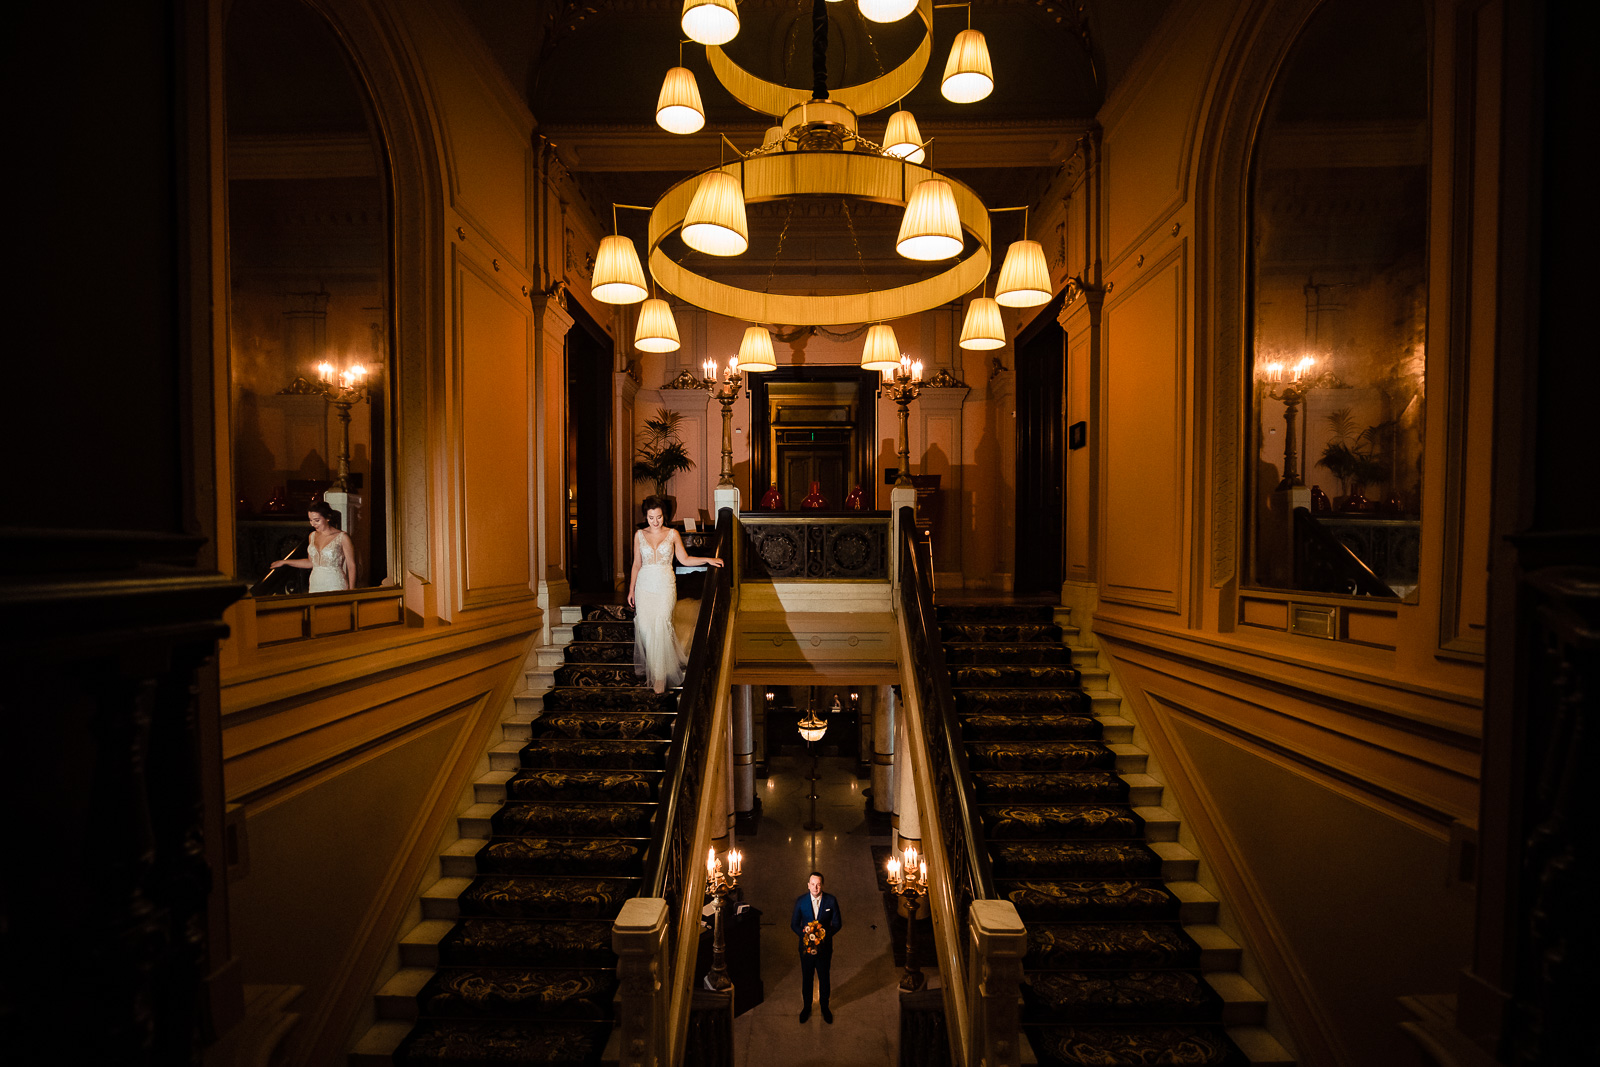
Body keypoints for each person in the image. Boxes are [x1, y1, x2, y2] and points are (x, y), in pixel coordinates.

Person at [627, 495, 723, 693]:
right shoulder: (639, 535)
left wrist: (708, 560)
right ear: (646, 516)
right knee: (645, 629)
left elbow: (685, 560)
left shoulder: (672, 534)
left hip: (664, 584)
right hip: (644, 585)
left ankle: (660, 680)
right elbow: (637, 564)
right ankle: (658, 669)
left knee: (661, 626)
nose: (655, 521)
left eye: (659, 517)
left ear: (664, 516)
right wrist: (631, 589)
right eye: (651, 517)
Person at [789, 871, 841, 1023]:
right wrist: (805, 934)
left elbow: (838, 924)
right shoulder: (801, 901)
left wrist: (823, 935)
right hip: (806, 949)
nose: (815, 888)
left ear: (822, 885)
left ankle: (825, 1008)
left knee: (824, 978)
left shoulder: (831, 901)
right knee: (807, 978)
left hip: (824, 949)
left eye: (818, 884)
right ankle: (807, 1007)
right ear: (808, 885)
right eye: (812, 884)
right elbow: (793, 924)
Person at [269, 501, 355, 592]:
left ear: (328, 518)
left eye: (317, 520)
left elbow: (351, 566)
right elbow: (310, 563)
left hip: (335, 584)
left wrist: (352, 591)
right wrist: (284, 562)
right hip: (315, 584)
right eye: (310, 520)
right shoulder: (312, 536)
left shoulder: (342, 537)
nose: (313, 524)